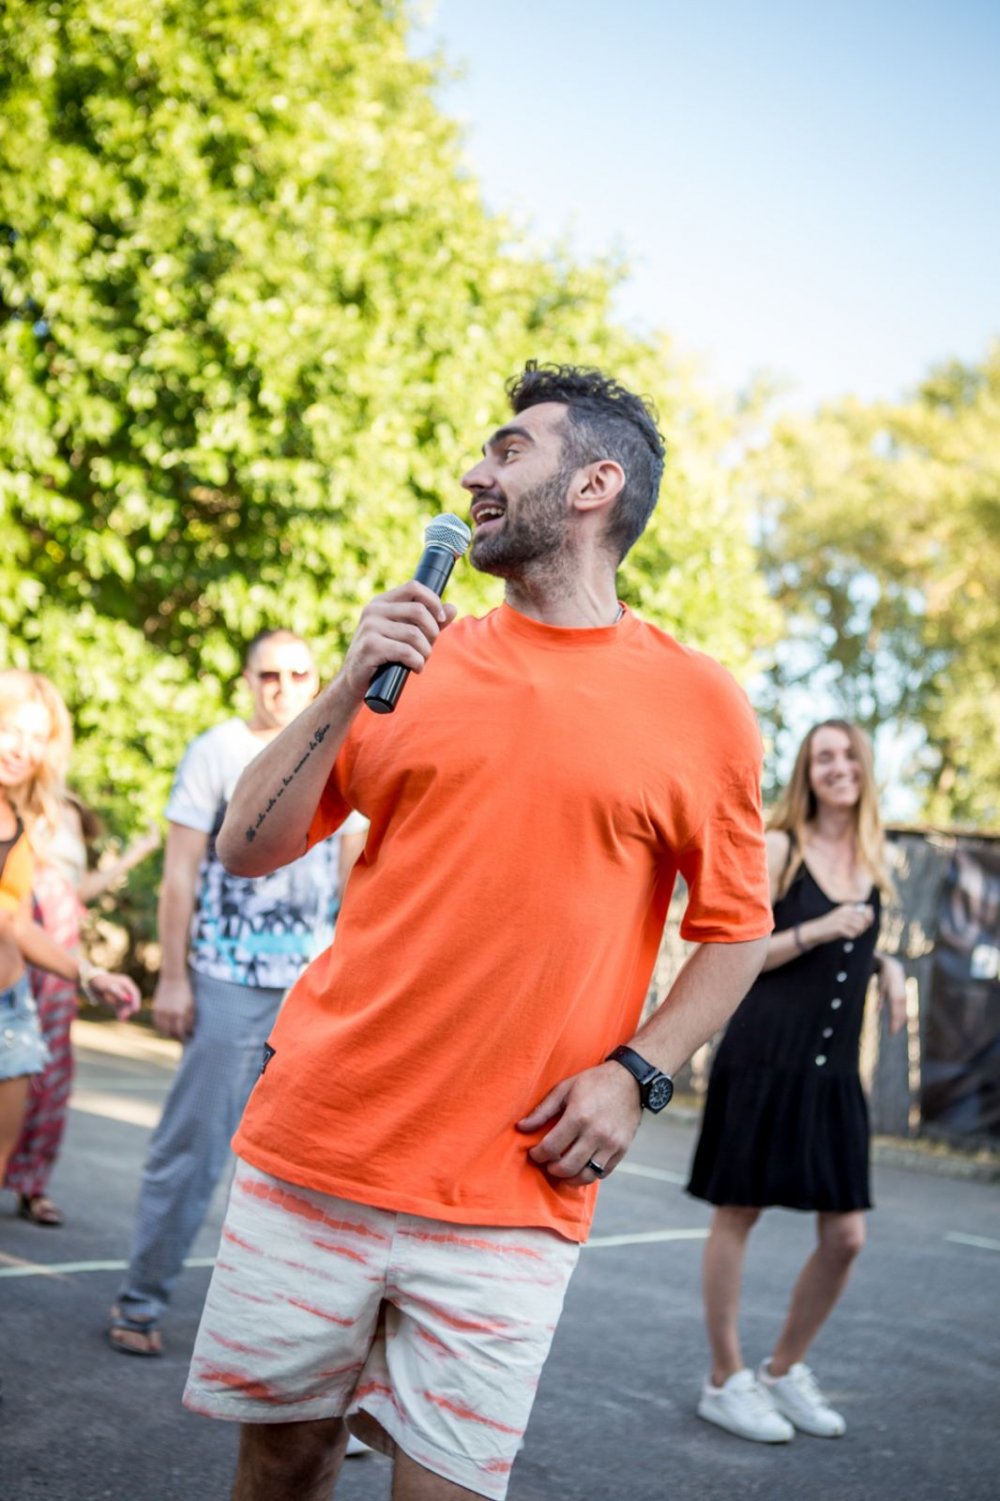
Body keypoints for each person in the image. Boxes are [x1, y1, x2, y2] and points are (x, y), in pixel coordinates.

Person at [181, 362, 774, 1501]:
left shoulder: (699, 703)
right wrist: (346, 682)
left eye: (509, 450)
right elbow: (245, 845)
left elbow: (737, 928)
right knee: (283, 1466)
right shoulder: (412, 661)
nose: (472, 472)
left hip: (514, 1186)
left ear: (596, 484)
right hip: (321, 1146)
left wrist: (638, 1073)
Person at [109, 629, 367, 1358]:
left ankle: (280, 1332)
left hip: (311, 989)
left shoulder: (343, 739)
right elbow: (179, 874)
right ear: (247, 681)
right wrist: (173, 976)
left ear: (318, 677)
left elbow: (355, 877)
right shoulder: (217, 750)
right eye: (268, 675)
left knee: (305, 1164)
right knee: (192, 1149)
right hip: (225, 979)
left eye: (298, 674)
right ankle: (140, 1302)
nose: (283, 687)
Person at [687, 719, 907, 1445]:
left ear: (865, 766)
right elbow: (740, 949)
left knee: (846, 1237)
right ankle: (725, 1379)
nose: (837, 767)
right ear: (807, 774)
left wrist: (888, 966)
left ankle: (784, 1370)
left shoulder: (876, 859)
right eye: (822, 758)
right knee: (738, 1212)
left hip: (833, 1073)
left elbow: (857, 945)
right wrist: (819, 929)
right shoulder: (781, 848)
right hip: (763, 1057)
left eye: (847, 755)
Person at [0, 670, 140, 1188]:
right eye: (11, 730)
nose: (23, 749)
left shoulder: (19, 819)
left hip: (11, 1010)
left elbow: (17, 924)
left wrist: (87, 974)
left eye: (37, 738)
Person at [5, 762, 160, 1227]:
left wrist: (134, 855)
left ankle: (32, 1182)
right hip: (22, 948)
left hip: (56, 948)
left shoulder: (64, 811)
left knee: (49, 1071)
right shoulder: (26, 812)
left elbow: (77, 890)